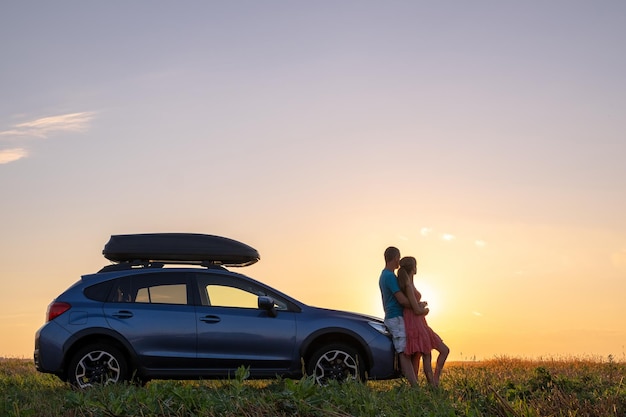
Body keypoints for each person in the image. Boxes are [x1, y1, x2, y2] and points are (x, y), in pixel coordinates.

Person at [397, 256, 450, 387]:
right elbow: (415, 310)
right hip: (416, 322)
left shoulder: (410, 284)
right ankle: (433, 383)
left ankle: (434, 381)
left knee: (437, 352)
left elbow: (413, 305)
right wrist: (425, 310)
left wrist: (420, 304)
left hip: (419, 322)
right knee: (428, 353)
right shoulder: (408, 285)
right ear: (413, 268)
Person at [378, 246, 418, 387]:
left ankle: (414, 383)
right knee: (403, 351)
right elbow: (401, 299)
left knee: (408, 350)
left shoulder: (386, 275)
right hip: (395, 317)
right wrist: (417, 307)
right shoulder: (389, 276)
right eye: (398, 258)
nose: (399, 262)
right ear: (395, 258)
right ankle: (414, 386)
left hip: (395, 317)